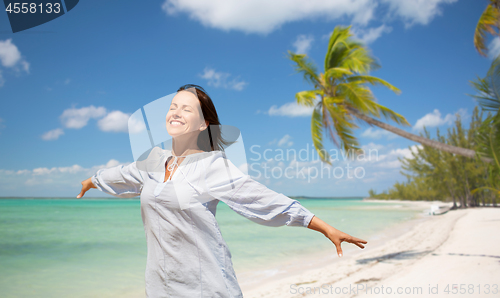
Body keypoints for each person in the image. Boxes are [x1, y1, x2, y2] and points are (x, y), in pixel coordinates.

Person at [77, 84, 367, 298]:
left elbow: (263, 200)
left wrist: (323, 227)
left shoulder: (212, 165)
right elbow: (120, 175)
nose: (176, 112)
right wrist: (91, 181)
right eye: (172, 107)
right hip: (159, 287)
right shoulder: (153, 160)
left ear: (203, 124)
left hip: (207, 287)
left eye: (186, 108)